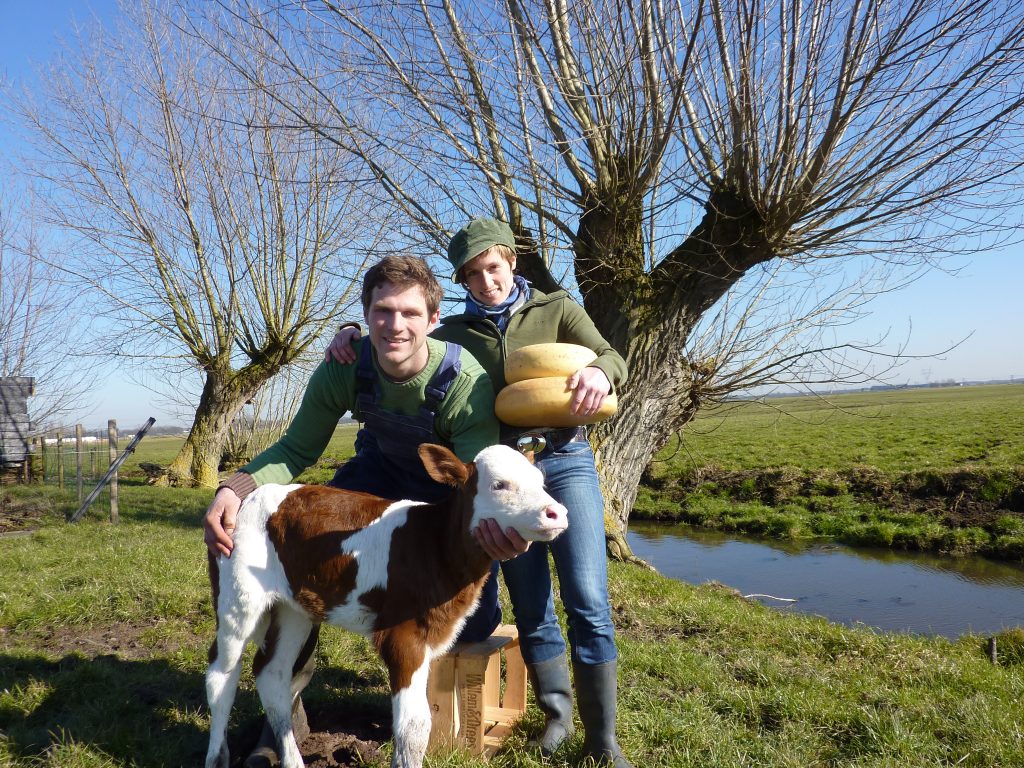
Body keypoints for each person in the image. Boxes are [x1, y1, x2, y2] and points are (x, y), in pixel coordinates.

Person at [327, 219, 632, 767]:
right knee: (531, 599)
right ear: (463, 281)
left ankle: (604, 740)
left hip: (564, 460)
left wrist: (601, 375)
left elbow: (612, 356)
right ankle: (557, 717)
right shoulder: (458, 332)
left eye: (493, 267)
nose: (486, 281)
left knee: (587, 595)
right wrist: (351, 331)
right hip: (502, 477)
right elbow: (402, 339)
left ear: (511, 262)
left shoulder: (557, 309)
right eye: (472, 275)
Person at [204, 254, 507, 768]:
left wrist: (494, 533)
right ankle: (281, 719)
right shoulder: (346, 365)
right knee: (313, 567)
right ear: (365, 316)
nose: (395, 325)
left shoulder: (463, 380)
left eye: (410, 313)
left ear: (433, 320)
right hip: (376, 479)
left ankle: (414, 703)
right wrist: (235, 487)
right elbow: (296, 448)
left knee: (473, 623)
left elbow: (479, 479)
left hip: (445, 497)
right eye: (383, 311)